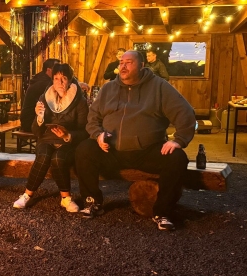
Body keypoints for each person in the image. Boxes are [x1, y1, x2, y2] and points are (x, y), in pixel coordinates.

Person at [75, 50, 196, 231]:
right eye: (121, 63)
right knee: (84, 149)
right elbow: (92, 118)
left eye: (129, 62)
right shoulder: (108, 89)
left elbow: (185, 113)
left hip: (146, 151)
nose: (123, 66)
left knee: (177, 158)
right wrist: (98, 134)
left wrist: (178, 140)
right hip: (111, 150)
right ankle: (93, 202)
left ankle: (162, 212)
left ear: (141, 65)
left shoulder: (159, 87)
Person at [13, 63, 89, 211]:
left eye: (63, 78)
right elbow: (36, 131)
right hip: (47, 139)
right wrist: (39, 117)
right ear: (52, 80)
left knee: (58, 158)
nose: (60, 82)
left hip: (68, 142)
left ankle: (66, 198)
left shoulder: (80, 101)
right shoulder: (45, 97)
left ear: (70, 80)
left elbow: (84, 131)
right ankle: (27, 195)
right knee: (43, 156)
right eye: (56, 78)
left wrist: (68, 135)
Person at [20, 59, 59, 132]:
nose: (59, 71)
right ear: (49, 70)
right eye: (57, 69)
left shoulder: (41, 78)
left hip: (30, 119)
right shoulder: (44, 83)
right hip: (30, 122)